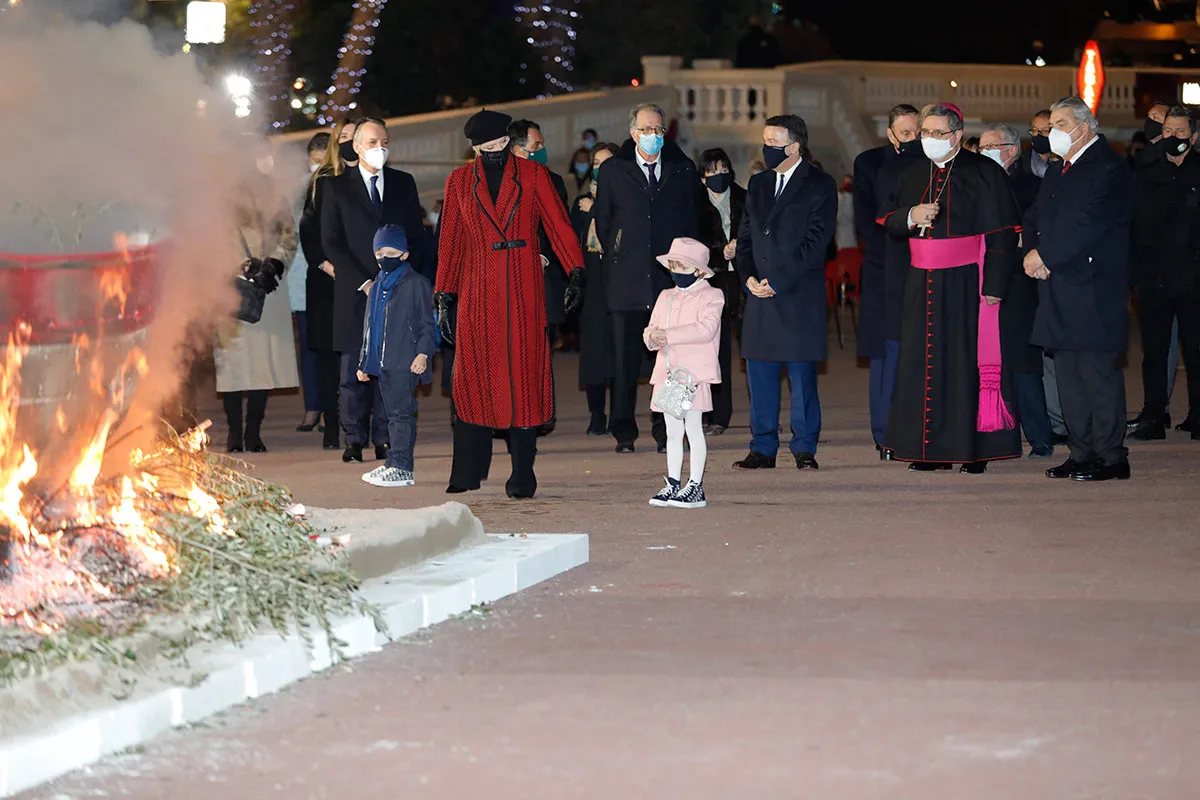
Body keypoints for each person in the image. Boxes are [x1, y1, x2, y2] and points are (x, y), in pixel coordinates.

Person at [434, 108, 585, 498]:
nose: (497, 152)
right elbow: (450, 241)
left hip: (523, 286)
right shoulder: (458, 182)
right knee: (471, 378)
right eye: (488, 148)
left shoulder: (533, 175)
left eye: (502, 144)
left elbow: (557, 224)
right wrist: (443, 294)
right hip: (477, 290)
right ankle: (468, 471)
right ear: (474, 149)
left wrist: (576, 269)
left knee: (523, 374)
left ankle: (523, 471)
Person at [878, 103, 1023, 474]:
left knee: (963, 365)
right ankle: (930, 452)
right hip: (920, 283)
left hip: (965, 282)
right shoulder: (912, 170)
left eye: (939, 134)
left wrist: (994, 285)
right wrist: (911, 215)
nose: (930, 141)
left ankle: (975, 451)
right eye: (925, 133)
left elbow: (1002, 235)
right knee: (923, 364)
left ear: (957, 135)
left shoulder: (984, 171)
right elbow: (885, 218)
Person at [1023, 96, 1134, 481]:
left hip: (1092, 287)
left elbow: (1089, 225)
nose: (1052, 132)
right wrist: (1031, 250)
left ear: (1083, 127)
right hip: (1057, 283)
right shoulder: (1060, 168)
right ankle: (1081, 451)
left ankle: (1111, 457)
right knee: (1068, 374)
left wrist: (1046, 256)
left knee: (1095, 373)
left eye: (1059, 124)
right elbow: (1037, 213)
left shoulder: (1108, 168)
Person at [593, 102, 702, 455]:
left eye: (657, 130)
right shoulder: (613, 170)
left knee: (672, 360)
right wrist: (620, 253)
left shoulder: (682, 169)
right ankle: (623, 431)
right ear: (632, 132)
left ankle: (666, 427)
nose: (652, 136)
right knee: (624, 363)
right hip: (626, 280)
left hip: (669, 282)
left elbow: (692, 221)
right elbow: (605, 220)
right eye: (645, 130)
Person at [321, 118, 430, 465]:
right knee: (353, 370)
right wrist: (366, 281)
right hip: (355, 291)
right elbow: (332, 242)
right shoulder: (336, 188)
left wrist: (401, 278)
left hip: (396, 290)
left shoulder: (403, 183)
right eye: (371, 142)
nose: (379, 148)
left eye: (384, 141)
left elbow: (415, 233)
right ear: (356, 145)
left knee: (391, 367)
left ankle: (385, 438)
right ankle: (354, 438)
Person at [732, 114, 836, 472]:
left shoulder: (820, 184)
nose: (767, 149)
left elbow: (816, 242)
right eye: (765, 142)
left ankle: (804, 447)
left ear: (795, 147)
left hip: (796, 294)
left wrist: (778, 281)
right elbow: (744, 236)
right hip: (759, 293)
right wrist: (748, 278)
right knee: (759, 374)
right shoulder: (758, 183)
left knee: (802, 378)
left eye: (773, 144)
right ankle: (762, 447)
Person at [216, 135, 299, 453]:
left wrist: (274, 264)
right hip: (229, 285)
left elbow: (290, 235)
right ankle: (234, 431)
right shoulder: (219, 194)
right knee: (233, 365)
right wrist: (237, 265)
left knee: (264, 362)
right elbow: (208, 235)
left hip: (268, 284)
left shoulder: (275, 193)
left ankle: (253, 430)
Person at [979, 122, 1055, 459]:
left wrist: (1017, 241)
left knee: (1023, 366)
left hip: (1021, 286)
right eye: (981, 147)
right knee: (989, 363)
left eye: (990, 146)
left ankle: (1039, 436)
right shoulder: (977, 183)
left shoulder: (1032, 186)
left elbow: (1034, 234)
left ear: (1010, 149)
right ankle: (997, 434)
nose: (984, 153)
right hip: (982, 282)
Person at [1127, 105, 1200, 441]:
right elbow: (1134, 226)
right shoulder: (1146, 172)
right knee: (1154, 351)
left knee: (1195, 350)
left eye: (1180, 133)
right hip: (1154, 278)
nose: (1172, 138)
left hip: (1193, 279)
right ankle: (1154, 416)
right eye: (1168, 132)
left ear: (1194, 136)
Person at [853, 103, 920, 456]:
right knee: (886, 357)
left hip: (925, 268)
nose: (913, 140)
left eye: (918, 133)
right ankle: (886, 434)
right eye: (905, 133)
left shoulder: (932, 163)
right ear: (890, 133)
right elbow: (865, 223)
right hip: (884, 270)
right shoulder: (869, 163)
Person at [644, 238, 723, 509]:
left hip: (694, 376)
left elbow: (705, 330)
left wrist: (666, 335)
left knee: (694, 429)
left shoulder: (713, 296)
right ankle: (674, 483)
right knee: (672, 432)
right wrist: (652, 338)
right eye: (673, 265)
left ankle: (696, 485)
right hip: (668, 374)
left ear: (699, 270)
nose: (676, 270)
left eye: (683, 266)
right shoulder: (666, 296)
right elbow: (651, 328)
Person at [355, 224, 436, 487]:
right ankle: (392, 462)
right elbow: (369, 325)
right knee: (389, 415)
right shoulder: (377, 285)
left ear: (404, 254)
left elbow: (427, 324)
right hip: (382, 361)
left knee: (401, 414)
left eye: (390, 252)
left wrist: (423, 353)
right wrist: (363, 361)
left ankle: (403, 467)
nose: (383, 257)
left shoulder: (416, 284)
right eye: (379, 252)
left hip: (405, 361)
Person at [299, 118, 358, 452]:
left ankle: (360, 426)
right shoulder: (321, 180)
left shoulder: (366, 178)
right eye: (344, 137)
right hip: (325, 278)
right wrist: (325, 263)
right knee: (328, 354)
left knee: (358, 353)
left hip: (357, 278)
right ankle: (332, 427)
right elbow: (310, 229)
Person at [510, 118, 570, 437]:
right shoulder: (499, 180)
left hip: (540, 274)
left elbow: (558, 224)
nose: (542, 151)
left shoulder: (553, 180)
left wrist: (542, 255)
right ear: (518, 149)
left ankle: (542, 412)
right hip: (505, 277)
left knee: (540, 349)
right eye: (537, 146)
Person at [571, 142, 620, 435]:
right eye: (597, 162)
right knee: (593, 354)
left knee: (618, 352)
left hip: (618, 282)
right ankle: (596, 413)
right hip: (592, 285)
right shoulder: (581, 201)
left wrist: (598, 209)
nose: (601, 167)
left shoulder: (626, 198)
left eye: (608, 161)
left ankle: (618, 414)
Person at [697, 147, 746, 436]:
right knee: (716, 351)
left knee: (752, 350)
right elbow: (693, 243)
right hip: (711, 284)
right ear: (703, 177)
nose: (719, 176)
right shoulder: (695, 204)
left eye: (723, 170)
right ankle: (718, 414)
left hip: (743, 282)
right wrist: (720, 254)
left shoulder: (745, 198)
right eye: (712, 171)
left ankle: (763, 415)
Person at [290, 132, 330, 435]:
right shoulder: (295, 190)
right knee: (309, 346)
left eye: (323, 160)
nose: (318, 166)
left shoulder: (338, 184)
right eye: (314, 160)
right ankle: (312, 406)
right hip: (303, 280)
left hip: (333, 278)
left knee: (336, 346)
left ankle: (332, 407)